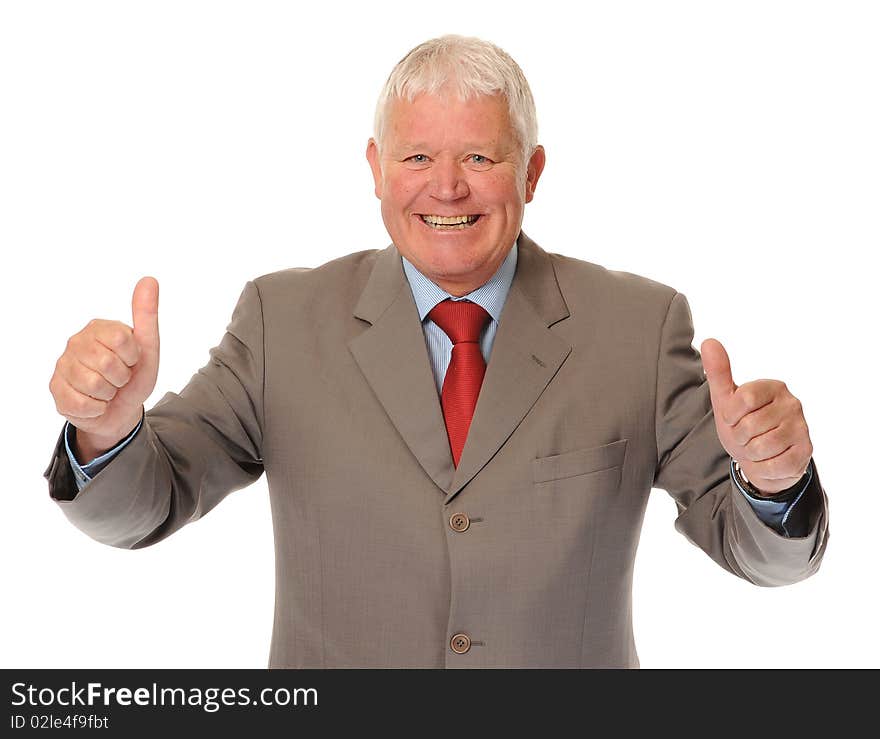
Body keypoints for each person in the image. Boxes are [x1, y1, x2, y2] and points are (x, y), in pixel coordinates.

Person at [45, 34, 829, 668]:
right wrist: (107, 433)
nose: (446, 188)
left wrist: (774, 480)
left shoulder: (640, 327)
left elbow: (764, 555)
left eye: (480, 158)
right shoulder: (281, 319)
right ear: (376, 169)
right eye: (417, 157)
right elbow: (144, 505)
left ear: (533, 170)